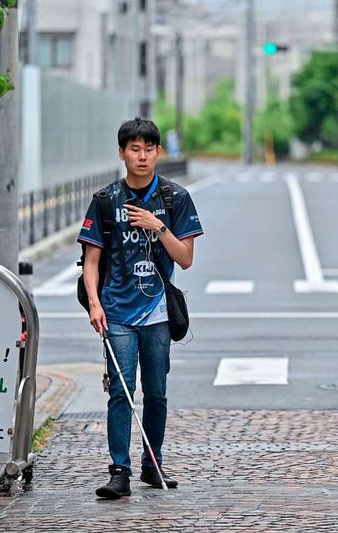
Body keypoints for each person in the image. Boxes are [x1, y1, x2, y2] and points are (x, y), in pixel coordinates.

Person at [77, 117, 203, 499]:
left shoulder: (174, 198)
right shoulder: (105, 201)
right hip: (115, 311)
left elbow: (186, 259)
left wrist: (157, 226)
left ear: (158, 152)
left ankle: (152, 461)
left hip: (158, 313)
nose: (142, 156)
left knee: (157, 392)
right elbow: (91, 261)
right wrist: (95, 305)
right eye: (134, 149)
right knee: (121, 391)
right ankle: (119, 470)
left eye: (149, 149)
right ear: (122, 153)